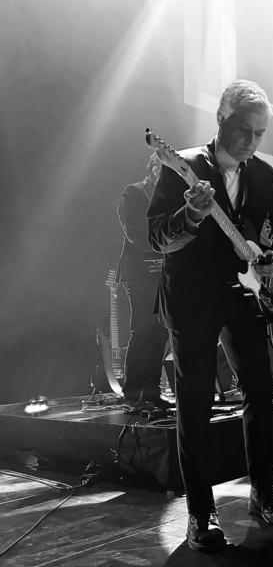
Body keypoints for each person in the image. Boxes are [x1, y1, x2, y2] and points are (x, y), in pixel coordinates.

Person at [148, 79, 273, 552]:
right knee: (195, 403)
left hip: (245, 295)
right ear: (220, 119)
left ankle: (263, 492)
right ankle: (200, 512)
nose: (252, 141)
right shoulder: (183, 166)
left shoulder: (264, 174)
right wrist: (191, 216)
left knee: (260, 390)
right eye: (244, 130)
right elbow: (158, 237)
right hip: (192, 297)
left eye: (260, 133)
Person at [116, 152, 171, 409]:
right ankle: (132, 394)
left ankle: (151, 392)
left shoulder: (167, 198)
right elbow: (134, 232)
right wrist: (166, 238)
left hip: (162, 272)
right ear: (152, 169)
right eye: (162, 168)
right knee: (143, 330)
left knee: (160, 331)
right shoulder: (134, 193)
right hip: (139, 273)